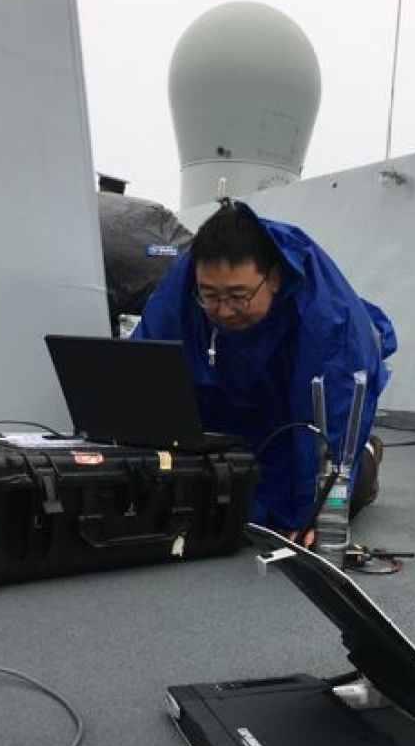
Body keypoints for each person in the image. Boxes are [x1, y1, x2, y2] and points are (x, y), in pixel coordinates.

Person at [131, 199, 397, 544]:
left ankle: (370, 457)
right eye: (210, 295)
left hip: (296, 411)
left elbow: (333, 418)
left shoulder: (328, 320)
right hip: (227, 407)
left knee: (318, 500)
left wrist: (312, 514)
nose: (224, 311)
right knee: (227, 503)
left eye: (238, 296)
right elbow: (145, 366)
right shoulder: (184, 284)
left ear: (273, 278)